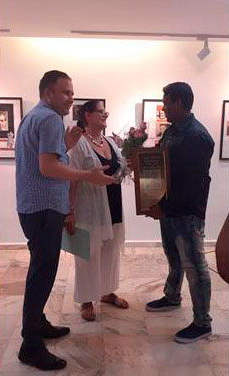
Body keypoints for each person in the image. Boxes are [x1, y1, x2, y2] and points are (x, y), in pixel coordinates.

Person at [15, 70, 116, 371]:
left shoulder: (38, 116)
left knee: (41, 269)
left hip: (36, 206)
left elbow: (45, 161)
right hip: (44, 207)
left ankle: (39, 323)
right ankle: (30, 345)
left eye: (72, 93)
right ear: (48, 93)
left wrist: (68, 147)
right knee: (42, 273)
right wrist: (88, 175)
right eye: (65, 93)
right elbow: (48, 168)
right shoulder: (48, 119)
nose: (72, 98)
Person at [144, 82, 215, 344]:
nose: (164, 108)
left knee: (195, 266)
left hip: (186, 211)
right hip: (169, 209)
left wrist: (164, 207)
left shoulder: (196, 136)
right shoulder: (173, 132)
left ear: (182, 103)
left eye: (168, 102)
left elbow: (191, 183)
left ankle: (202, 323)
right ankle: (172, 296)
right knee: (173, 256)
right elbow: (163, 165)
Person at [66, 100, 129, 322]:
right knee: (88, 255)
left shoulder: (110, 141)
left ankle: (106, 292)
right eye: (100, 112)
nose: (105, 116)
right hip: (88, 208)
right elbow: (70, 178)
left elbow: (120, 169)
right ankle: (86, 300)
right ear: (87, 115)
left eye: (105, 112)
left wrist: (130, 160)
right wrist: (70, 210)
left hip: (112, 206)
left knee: (110, 252)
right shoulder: (78, 144)